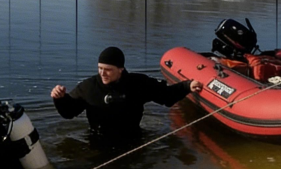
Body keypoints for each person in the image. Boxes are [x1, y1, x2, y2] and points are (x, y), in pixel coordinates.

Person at [50, 46, 203, 139]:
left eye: (108, 70)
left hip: (131, 138)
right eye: (100, 69)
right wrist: (60, 98)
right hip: (97, 139)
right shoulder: (89, 87)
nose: (103, 73)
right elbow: (69, 112)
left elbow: (167, 96)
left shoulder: (137, 83)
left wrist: (187, 86)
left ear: (120, 69)